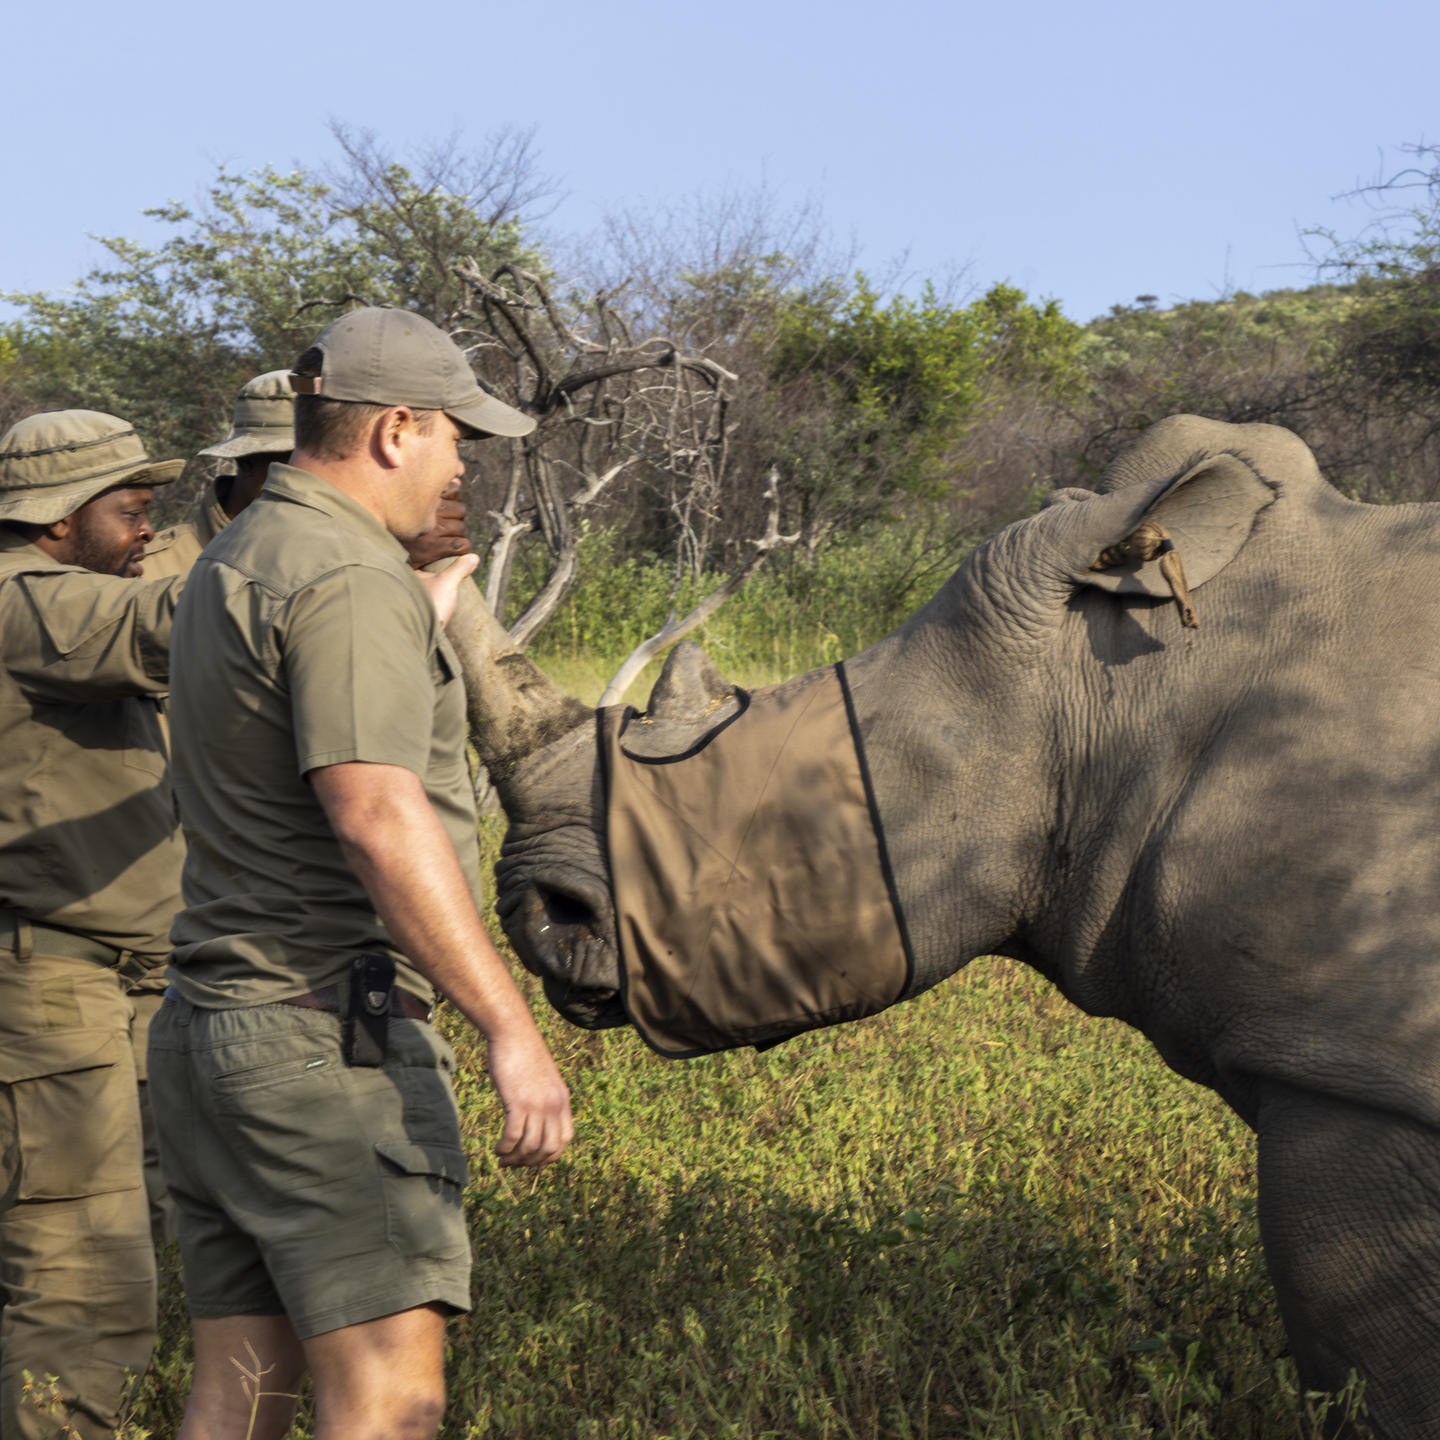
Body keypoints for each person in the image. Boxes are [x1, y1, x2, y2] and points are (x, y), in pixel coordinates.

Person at [150, 307, 574, 1440]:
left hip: (211, 1030)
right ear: (394, 428)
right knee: (389, 1401)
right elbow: (377, 818)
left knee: (239, 1397)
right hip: (326, 1035)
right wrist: (509, 1026)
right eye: (452, 437)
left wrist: (415, 627)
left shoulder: (241, 555)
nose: (457, 465)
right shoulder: (345, 577)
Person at [0, 410, 186, 1439]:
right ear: (60, 523)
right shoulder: (31, 604)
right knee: (81, 1292)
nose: (148, 530)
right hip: (47, 994)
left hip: (99, 987)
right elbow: (176, 623)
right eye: (131, 509)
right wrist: (337, 543)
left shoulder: (56, 598)